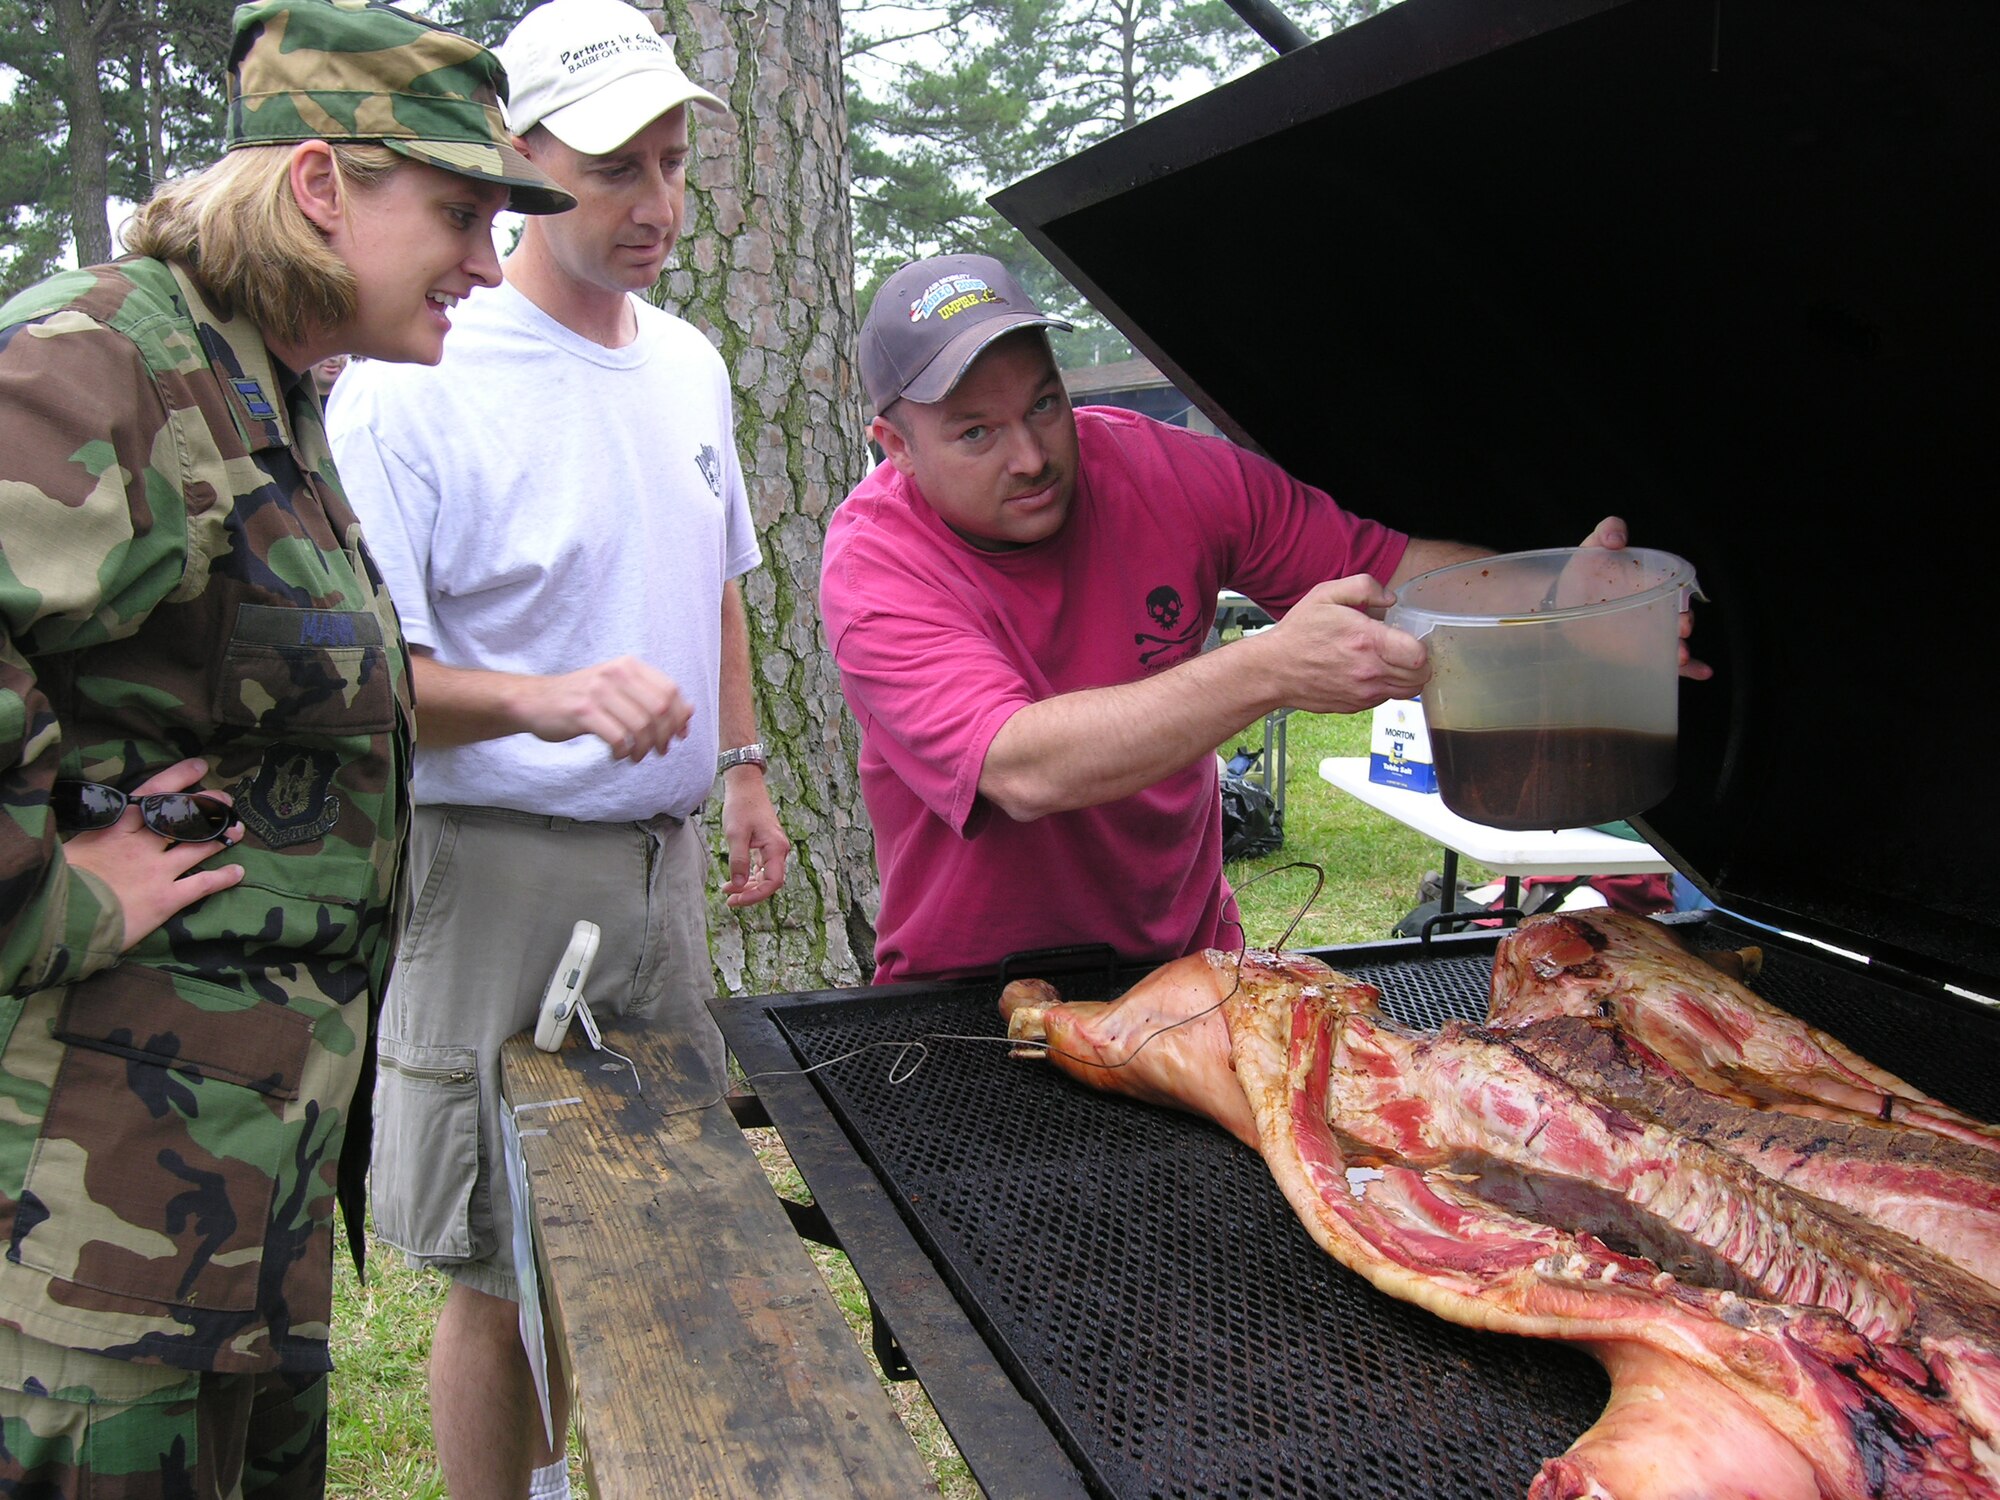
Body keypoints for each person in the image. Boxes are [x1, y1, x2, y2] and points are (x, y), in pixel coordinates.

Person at [0, 1, 572, 1492]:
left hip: (236, 1190)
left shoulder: (258, 380)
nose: (489, 261)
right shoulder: (105, 363)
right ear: (321, 186)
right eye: (459, 211)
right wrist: (45, 892)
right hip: (93, 1227)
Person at [324, 1, 789, 1494]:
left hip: (656, 875)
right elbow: (359, 673)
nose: (657, 206)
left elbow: (712, 576)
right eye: (614, 171)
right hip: (502, 868)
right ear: (515, 160)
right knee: (496, 1260)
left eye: (671, 163)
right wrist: (552, 699)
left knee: (639, 1220)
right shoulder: (417, 380)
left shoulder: (691, 363)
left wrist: (743, 768)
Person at [822, 253, 1707, 984]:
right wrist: (1271, 668)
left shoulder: (1165, 473)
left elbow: (1393, 570)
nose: (1030, 457)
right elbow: (1021, 767)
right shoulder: (875, 563)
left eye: (1044, 405)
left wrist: (1557, 602)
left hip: (1191, 964)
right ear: (894, 445)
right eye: (976, 433)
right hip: (970, 987)